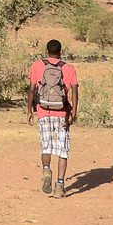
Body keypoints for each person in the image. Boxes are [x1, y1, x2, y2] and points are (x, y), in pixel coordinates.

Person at [28, 38, 80, 198]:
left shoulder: (37, 66)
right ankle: (60, 185)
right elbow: (74, 92)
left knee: (46, 146)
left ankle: (46, 171)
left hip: (43, 111)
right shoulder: (70, 69)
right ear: (61, 52)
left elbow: (32, 90)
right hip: (63, 113)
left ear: (46, 51)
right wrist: (74, 112)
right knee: (63, 150)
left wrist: (29, 110)